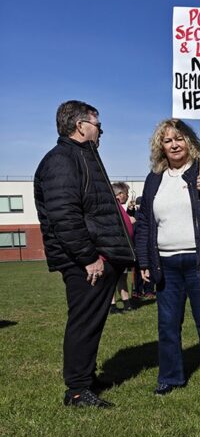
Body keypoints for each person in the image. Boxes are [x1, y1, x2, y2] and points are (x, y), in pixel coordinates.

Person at [34, 100, 135, 407]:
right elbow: (65, 217)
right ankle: (77, 390)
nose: (100, 131)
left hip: (97, 256)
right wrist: (88, 257)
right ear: (80, 126)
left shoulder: (82, 156)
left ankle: (86, 377)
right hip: (86, 261)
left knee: (92, 321)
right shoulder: (62, 160)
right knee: (84, 321)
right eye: (97, 125)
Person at [134, 119, 200, 395]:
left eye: (179, 138)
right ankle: (170, 377)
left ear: (190, 141)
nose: (174, 144)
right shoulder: (154, 178)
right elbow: (144, 221)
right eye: (167, 140)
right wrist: (144, 261)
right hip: (165, 264)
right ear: (161, 147)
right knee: (167, 325)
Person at [110, 182, 136, 314]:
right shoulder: (112, 206)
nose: (127, 197)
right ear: (120, 194)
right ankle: (112, 305)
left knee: (122, 276)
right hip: (115, 249)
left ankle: (126, 302)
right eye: (126, 194)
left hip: (122, 249)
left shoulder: (120, 207)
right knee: (113, 278)